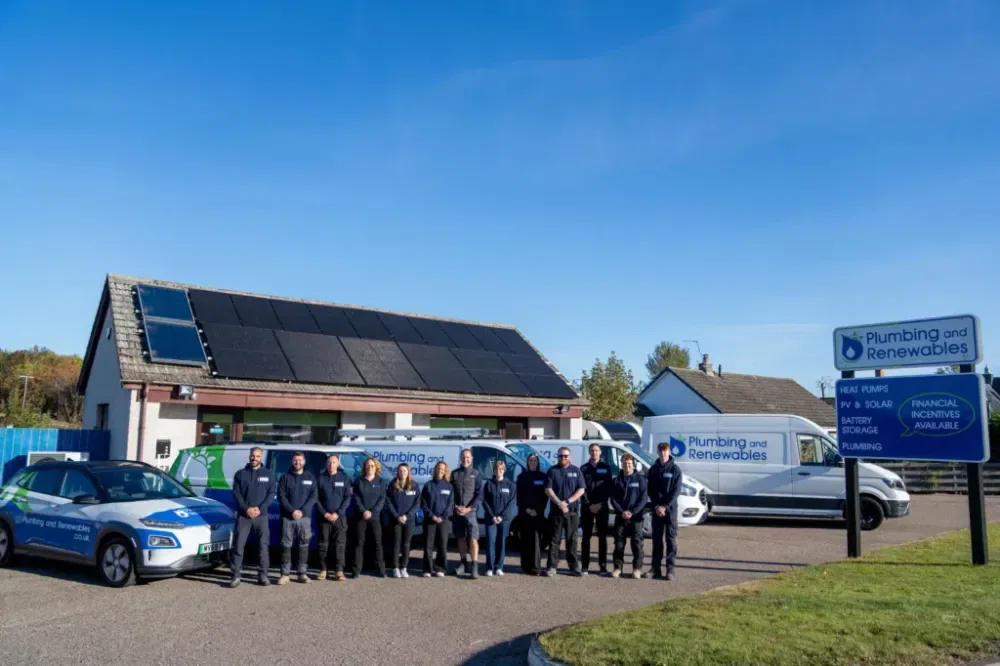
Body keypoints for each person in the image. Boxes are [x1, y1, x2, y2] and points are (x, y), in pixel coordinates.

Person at [229, 447, 275, 587]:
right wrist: (246, 509)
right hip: (244, 516)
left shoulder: (268, 474)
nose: (254, 458)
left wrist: (259, 509)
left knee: (263, 546)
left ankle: (263, 576)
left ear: (261, 457)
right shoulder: (241, 474)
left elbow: (271, 494)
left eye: (257, 456)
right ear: (249, 456)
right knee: (239, 546)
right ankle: (235, 575)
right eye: (252, 456)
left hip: (261, 516)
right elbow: (237, 494)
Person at [277, 451, 318, 585]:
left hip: (305, 518)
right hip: (288, 517)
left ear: (304, 462)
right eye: (295, 460)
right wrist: (292, 510)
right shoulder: (285, 477)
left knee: (303, 545)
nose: (297, 462)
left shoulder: (310, 477)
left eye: (300, 460)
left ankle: (302, 573)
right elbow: (281, 496)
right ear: (292, 461)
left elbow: (313, 496)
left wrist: (303, 510)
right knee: (286, 545)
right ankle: (285, 574)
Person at [545, 446, 586, 576]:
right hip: (556, 512)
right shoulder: (552, 471)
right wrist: (559, 503)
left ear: (570, 457)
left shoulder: (576, 471)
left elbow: (581, 490)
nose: (563, 458)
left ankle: (574, 567)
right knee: (554, 540)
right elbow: (548, 490)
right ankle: (552, 567)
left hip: (572, 512)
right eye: (561, 456)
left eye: (566, 456)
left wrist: (567, 502)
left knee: (572, 540)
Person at [648, 441, 684, 580]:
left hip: (670, 510)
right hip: (657, 510)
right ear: (658, 452)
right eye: (661, 451)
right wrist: (657, 506)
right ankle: (655, 569)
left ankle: (670, 570)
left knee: (670, 540)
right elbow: (650, 490)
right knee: (657, 541)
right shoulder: (653, 470)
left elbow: (676, 492)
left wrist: (665, 507)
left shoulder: (675, 470)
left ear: (669, 452)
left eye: (665, 451)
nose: (663, 453)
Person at [610, 453, 648, 579]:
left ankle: (637, 569)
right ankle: (617, 568)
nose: (627, 466)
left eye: (630, 464)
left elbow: (643, 499)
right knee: (619, 544)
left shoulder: (640, 479)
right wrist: (622, 512)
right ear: (621, 464)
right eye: (625, 463)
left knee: (637, 544)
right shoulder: (616, 480)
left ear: (633, 464)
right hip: (621, 517)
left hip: (636, 518)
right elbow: (613, 499)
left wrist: (633, 512)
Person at [316, 454, 352, 582]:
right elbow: (316, 498)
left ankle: (339, 571)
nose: (331, 465)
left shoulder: (344, 478)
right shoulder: (320, 478)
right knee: (323, 545)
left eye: (334, 462)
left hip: (339, 518)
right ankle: (323, 570)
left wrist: (338, 513)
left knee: (339, 545)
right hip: (324, 517)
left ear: (338, 464)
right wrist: (324, 513)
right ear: (326, 464)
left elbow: (347, 498)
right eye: (329, 462)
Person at [450, 448, 483, 578]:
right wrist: (455, 507)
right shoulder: (454, 474)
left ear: (472, 458)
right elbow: (450, 493)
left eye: (468, 457)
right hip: (458, 512)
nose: (466, 459)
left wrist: (469, 508)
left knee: (473, 539)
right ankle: (463, 563)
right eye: (463, 457)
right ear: (460, 458)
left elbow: (479, 494)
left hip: (471, 513)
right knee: (461, 538)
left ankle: (474, 565)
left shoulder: (476, 474)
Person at [580, 443, 613, 576]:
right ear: (589, 452)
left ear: (600, 453)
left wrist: (600, 504)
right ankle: (585, 565)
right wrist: (589, 505)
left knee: (602, 537)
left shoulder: (606, 468)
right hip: (587, 507)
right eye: (592, 450)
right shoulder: (583, 468)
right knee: (586, 537)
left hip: (602, 506)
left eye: (597, 450)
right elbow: (582, 488)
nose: (594, 453)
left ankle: (603, 566)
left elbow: (608, 487)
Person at [351, 456, 387, 578]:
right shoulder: (359, 481)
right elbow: (356, 498)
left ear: (376, 467)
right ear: (364, 468)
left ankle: (381, 570)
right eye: (367, 466)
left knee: (378, 543)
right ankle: (356, 570)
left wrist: (373, 511)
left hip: (375, 517)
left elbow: (382, 499)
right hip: (361, 517)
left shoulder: (380, 482)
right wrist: (364, 511)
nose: (370, 468)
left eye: (372, 466)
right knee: (359, 543)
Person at [385, 462, 420, 578]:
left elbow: (417, 503)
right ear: (397, 472)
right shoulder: (393, 485)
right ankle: (395, 567)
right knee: (396, 544)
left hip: (409, 521)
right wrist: (397, 516)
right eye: (400, 471)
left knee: (406, 544)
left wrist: (407, 516)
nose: (402, 473)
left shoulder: (414, 485)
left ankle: (404, 567)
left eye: (404, 471)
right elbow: (388, 502)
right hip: (396, 520)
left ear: (408, 472)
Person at [482, 459, 516, 576]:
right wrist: (492, 516)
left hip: (504, 519)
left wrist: (501, 516)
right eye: (497, 469)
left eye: (501, 469)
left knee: (501, 542)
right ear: (494, 470)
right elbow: (485, 502)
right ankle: (489, 568)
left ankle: (499, 567)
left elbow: (511, 503)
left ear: (504, 470)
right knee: (490, 542)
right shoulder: (489, 484)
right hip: (490, 519)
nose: (499, 471)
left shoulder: (510, 485)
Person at [516, 453, 548, 575]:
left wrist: (538, 510)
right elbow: (519, 497)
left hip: (538, 514)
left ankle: (535, 567)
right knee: (525, 540)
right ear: (527, 462)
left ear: (538, 462)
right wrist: (527, 509)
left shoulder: (543, 477)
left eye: (535, 460)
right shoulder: (522, 477)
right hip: (525, 513)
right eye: (530, 460)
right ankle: (525, 567)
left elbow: (545, 497)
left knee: (536, 541)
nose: (533, 462)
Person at [421, 461, 454, 577]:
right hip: (430, 520)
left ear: (445, 471)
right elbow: (423, 504)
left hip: (443, 521)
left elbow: (450, 504)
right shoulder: (428, 485)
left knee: (442, 545)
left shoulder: (449, 486)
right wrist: (432, 516)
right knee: (428, 545)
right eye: (438, 469)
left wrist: (443, 516)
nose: (440, 471)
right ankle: (427, 569)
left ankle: (440, 568)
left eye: (443, 469)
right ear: (435, 470)